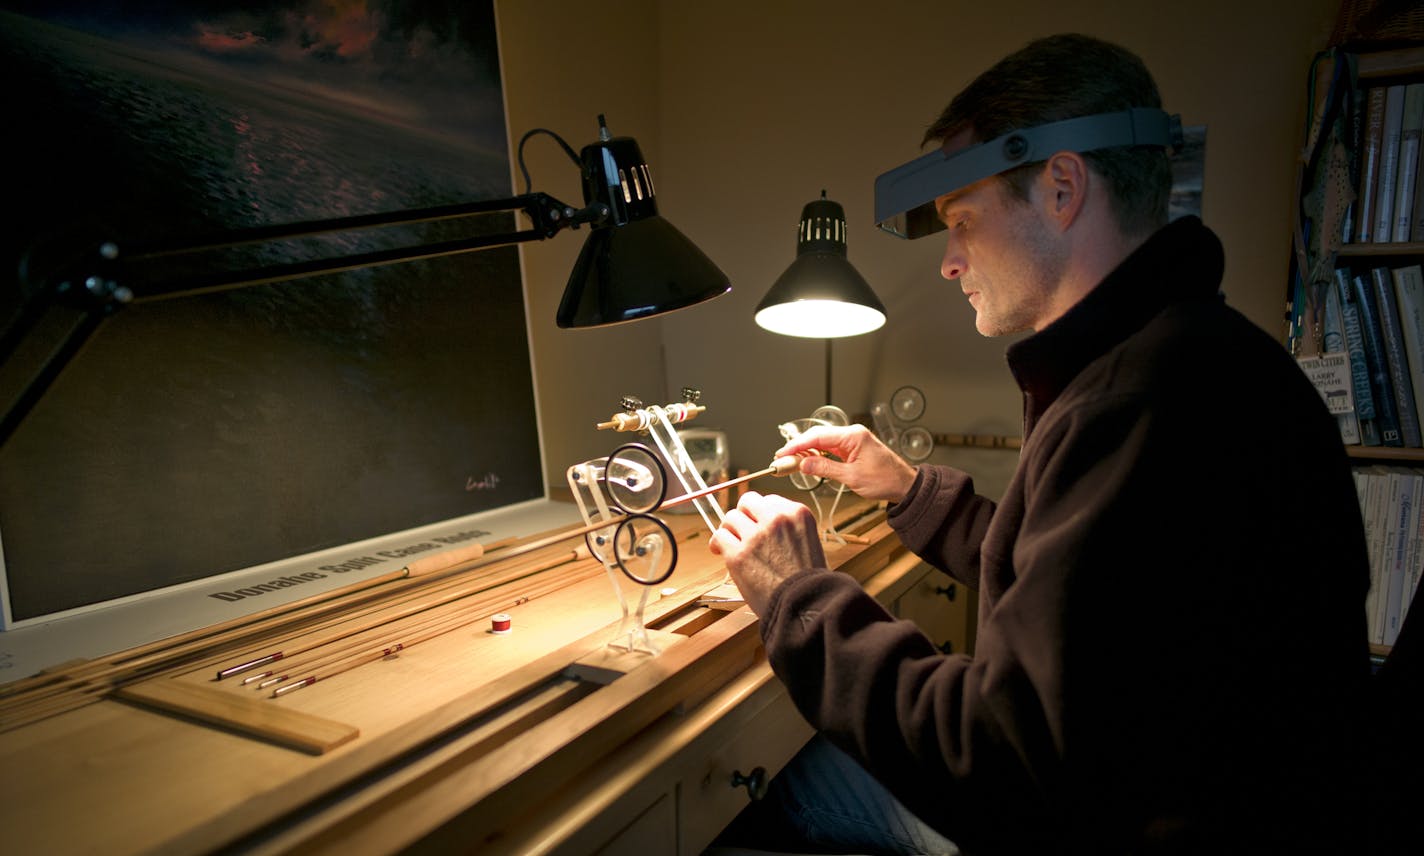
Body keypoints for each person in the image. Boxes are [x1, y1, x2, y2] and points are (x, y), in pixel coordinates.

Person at [708, 33, 1371, 856]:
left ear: (1062, 186)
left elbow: (998, 761)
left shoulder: (1144, 402)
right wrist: (915, 492)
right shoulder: (1187, 356)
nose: (948, 263)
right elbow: (1088, 592)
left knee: (781, 783)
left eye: (962, 221)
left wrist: (800, 596)